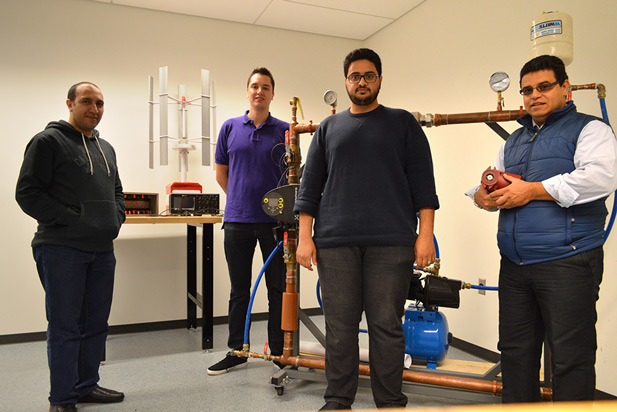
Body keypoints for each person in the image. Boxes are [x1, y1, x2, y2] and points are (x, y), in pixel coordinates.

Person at [294, 48, 439, 410]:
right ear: (346, 81)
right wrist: (305, 238)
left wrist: (424, 236)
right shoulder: (328, 128)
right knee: (340, 330)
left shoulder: (403, 123)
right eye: (355, 76)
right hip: (335, 243)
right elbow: (309, 189)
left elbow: (424, 185)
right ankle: (338, 400)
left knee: (386, 327)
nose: (362, 82)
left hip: (391, 243)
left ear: (380, 79)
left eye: (369, 75)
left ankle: (390, 402)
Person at [469, 55, 617, 402]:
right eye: (527, 90)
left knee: (570, 357)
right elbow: (497, 186)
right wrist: (482, 196)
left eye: (544, 86)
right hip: (515, 265)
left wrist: (532, 190)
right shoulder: (514, 140)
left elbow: (600, 178)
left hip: (568, 262)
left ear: (565, 88)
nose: (534, 95)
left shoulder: (590, 129)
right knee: (516, 354)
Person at [15, 82, 126, 412]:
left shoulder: (106, 149)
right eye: (87, 101)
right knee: (65, 326)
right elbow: (28, 193)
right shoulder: (47, 141)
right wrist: (73, 218)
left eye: (100, 103)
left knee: (96, 324)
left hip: (102, 250)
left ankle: (86, 385)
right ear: (70, 103)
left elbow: (118, 191)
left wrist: (115, 217)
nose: (94, 108)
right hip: (61, 249)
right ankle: (62, 398)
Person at [208, 67, 288, 375]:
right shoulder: (230, 127)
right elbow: (220, 173)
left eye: (265, 87)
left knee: (277, 290)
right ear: (247, 91)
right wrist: (241, 199)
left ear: (271, 93)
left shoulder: (284, 130)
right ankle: (237, 351)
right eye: (254, 86)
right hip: (238, 222)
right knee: (239, 289)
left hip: (275, 224)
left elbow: (291, 177)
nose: (259, 91)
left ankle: (278, 351)